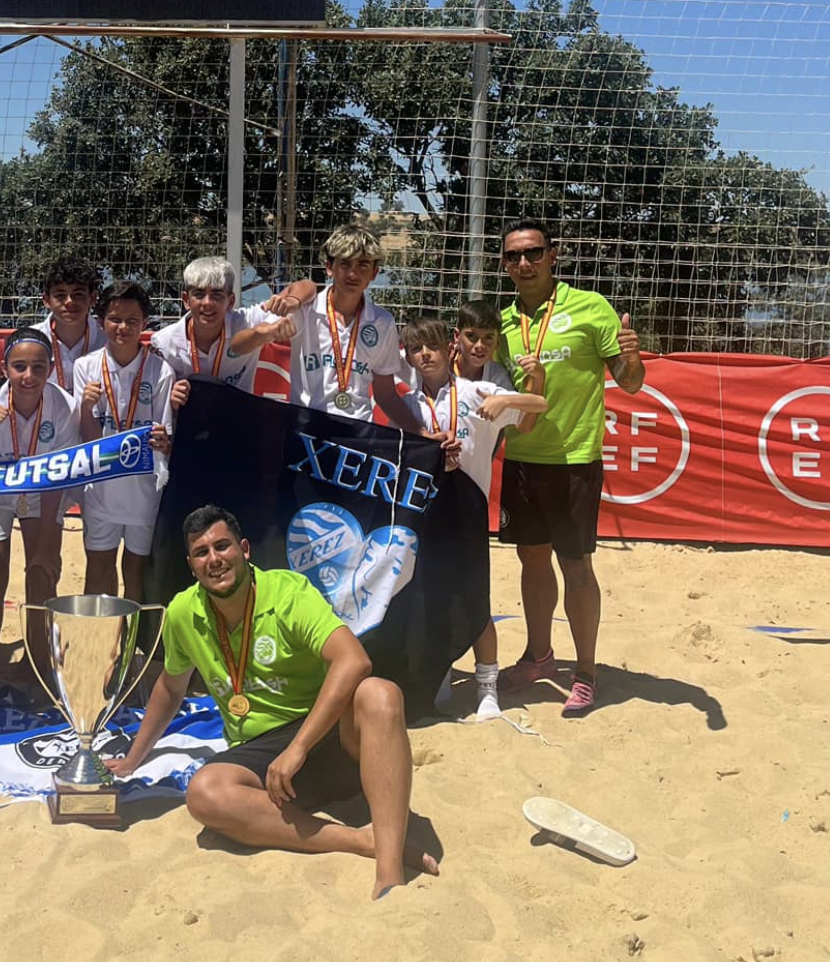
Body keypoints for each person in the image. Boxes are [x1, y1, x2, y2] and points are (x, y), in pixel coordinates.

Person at [107, 505, 439, 900]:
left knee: (381, 694)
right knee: (205, 793)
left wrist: (299, 747)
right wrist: (134, 757)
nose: (214, 559)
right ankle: (361, 840)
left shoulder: (287, 592)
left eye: (222, 546)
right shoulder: (183, 612)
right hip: (262, 755)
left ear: (244, 549)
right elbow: (170, 687)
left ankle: (388, 872)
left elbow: (354, 660)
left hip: (323, 732)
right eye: (202, 552)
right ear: (191, 565)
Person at [493, 217, 644, 717]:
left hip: (574, 460)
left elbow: (630, 383)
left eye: (533, 252)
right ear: (504, 263)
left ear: (553, 255)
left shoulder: (589, 306)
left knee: (576, 565)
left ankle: (586, 672)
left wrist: (630, 358)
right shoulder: (504, 322)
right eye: (514, 255)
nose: (524, 263)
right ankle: (539, 656)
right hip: (521, 457)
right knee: (531, 561)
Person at [400, 317, 546, 718]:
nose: (424, 354)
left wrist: (508, 400)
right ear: (408, 357)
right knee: (428, 597)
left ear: (450, 349)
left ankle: (487, 688)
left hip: (469, 507)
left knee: (475, 599)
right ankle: (439, 674)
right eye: (416, 349)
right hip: (426, 512)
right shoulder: (410, 406)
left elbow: (539, 406)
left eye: (431, 346)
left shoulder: (476, 390)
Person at [0, 328, 78, 705]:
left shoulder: (63, 406)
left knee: (42, 577)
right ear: (5, 367)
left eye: (38, 367)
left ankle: (41, 671)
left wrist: (47, 542)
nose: (28, 376)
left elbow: (57, 478)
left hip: (41, 491)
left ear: (49, 369)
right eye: (19, 367)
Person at [229, 224, 423, 434]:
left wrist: (423, 434)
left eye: (363, 265)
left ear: (374, 273)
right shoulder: (304, 310)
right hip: (306, 431)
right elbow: (237, 346)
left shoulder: (382, 322)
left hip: (357, 436)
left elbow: (386, 395)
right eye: (345, 264)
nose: (353, 273)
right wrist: (267, 333)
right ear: (329, 267)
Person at [72, 282, 174, 601]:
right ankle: (100, 648)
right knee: (99, 570)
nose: (123, 327)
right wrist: (87, 408)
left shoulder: (160, 371)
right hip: (101, 490)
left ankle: (131, 649)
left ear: (145, 323)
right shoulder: (85, 368)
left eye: (133, 320)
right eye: (115, 319)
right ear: (101, 321)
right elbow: (86, 439)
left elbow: (166, 442)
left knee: (135, 572)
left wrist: (163, 441)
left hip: (143, 493)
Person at [150, 256, 315, 409]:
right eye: (199, 294)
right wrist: (169, 398)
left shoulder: (246, 321)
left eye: (216, 295)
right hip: (186, 432)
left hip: (238, 430)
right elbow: (150, 401)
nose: (207, 303)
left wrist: (292, 301)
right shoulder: (163, 343)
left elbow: (307, 286)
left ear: (231, 301)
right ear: (186, 300)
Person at [30, 256, 105, 393]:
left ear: (92, 298)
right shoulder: (29, 341)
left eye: (78, 294)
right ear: (46, 300)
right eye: (60, 295)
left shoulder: (108, 341)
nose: (70, 302)